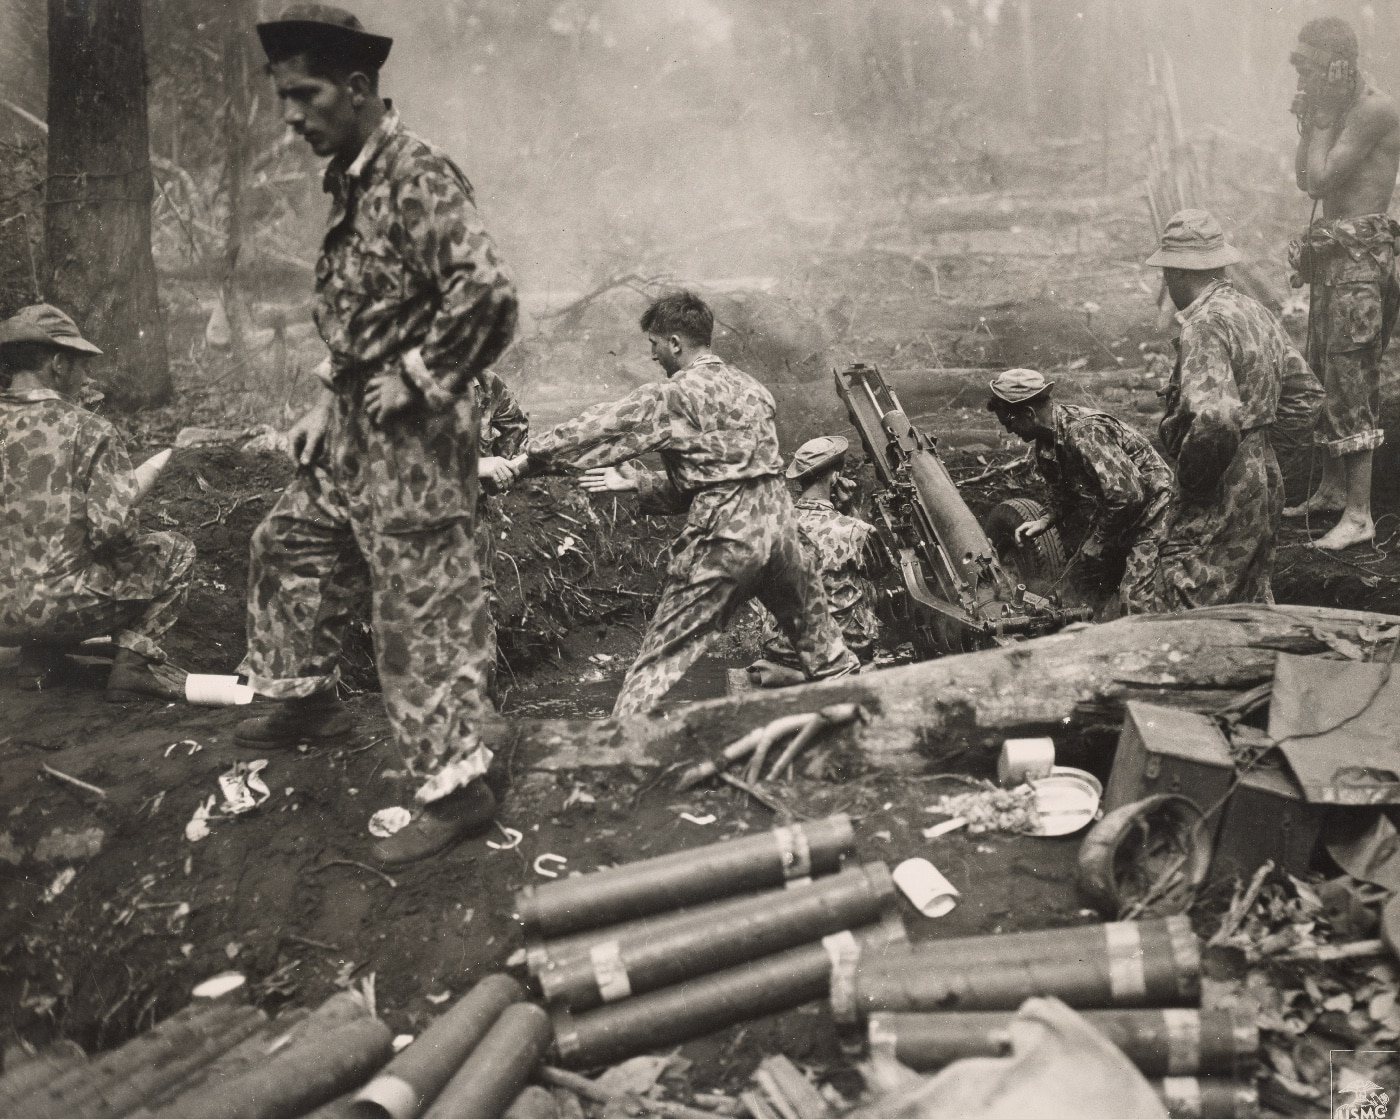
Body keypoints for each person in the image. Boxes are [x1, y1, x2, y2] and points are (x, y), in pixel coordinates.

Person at [237, 6, 518, 868]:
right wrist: (328, 395)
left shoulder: (416, 176)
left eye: (306, 94)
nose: (292, 115)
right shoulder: (356, 181)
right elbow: (365, 313)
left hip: (415, 441)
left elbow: (490, 296)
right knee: (286, 541)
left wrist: (425, 377)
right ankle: (306, 694)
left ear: (358, 90)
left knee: (420, 608)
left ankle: (457, 787)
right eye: (284, 96)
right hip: (358, 424)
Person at [506, 290, 859, 715]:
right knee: (829, 658)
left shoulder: (675, 395)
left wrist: (525, 460)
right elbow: (725, 475)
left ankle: (620, 759)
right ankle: (867, 741)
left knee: (655, 664)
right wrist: (638, 485)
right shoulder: (756, 391)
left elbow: (597, 429)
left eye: (654, 345)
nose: (653, 356)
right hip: (782, 533)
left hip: (728, 537)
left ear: (675, 343)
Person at [0, 303, 193, 700]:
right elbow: (114, 534)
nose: (86, 376)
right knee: (176, 552)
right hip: (62, 608)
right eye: (80, 364)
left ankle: (37, 660)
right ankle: (133, 666)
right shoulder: (88, 429)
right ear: (57, 363)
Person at [1145, 210, 1322, 610]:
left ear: (1174, 272)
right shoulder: (1253, 311)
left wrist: (1195, 480)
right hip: (1263, 481)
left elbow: (1215, 418)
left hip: (1219, 486)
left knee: (1186, 609)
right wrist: (1265, 454)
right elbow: (1306, 395)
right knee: (1250, 605)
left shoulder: (1205, 324)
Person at [1283, 16, 1400, 550]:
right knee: (1330, 370)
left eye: (1309, 65)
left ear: (1338, 64)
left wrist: (1323, 122)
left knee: (1353, 376)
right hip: (1334, 258)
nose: (1301, 76)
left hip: (1360, 263)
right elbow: (1305, 179)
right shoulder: (1334, 109)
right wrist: (1311, 124)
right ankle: (1332, 491)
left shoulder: (1374, 108)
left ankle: (1358, 514)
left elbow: (1327, 177)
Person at [985, 369, 1173, 614]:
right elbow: (1064, 494)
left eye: (1009, 422)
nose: (1010, 432)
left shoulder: (1084, 431)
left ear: (1029, 414)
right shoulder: (1045, 446)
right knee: (1068, 595)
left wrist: (1098, 541)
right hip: (1117, 514)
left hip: (1155, 513)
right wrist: (1044, 520)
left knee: (1135, 604)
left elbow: (1129, 496)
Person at [757, 435, 882, 667]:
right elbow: (878, 571)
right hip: (841, 652)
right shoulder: (855, 529)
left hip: (782, 650)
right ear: (835, 477)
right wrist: (851, 508)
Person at [473, 369, 529, 699]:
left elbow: (516, 425)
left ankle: (481, 713)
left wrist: (501, 471)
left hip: (471, 519)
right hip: (417, 525)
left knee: (479, 606)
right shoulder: (407, 382)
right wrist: (478, 466)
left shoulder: (487, 383)